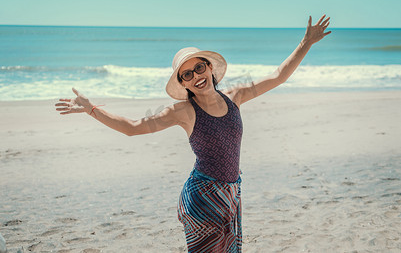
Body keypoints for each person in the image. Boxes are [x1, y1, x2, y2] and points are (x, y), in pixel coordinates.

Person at [55, 15, 331, 252]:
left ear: (210, 67)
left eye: (199, 67)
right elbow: (133, 127)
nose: (196, 76)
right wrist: (91, 109)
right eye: (186, 74)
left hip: (232, 194)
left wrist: (305, 43)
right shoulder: (183, 112)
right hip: (202, 199)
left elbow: (279, 75)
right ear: (183, 83)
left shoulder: (235, 96)